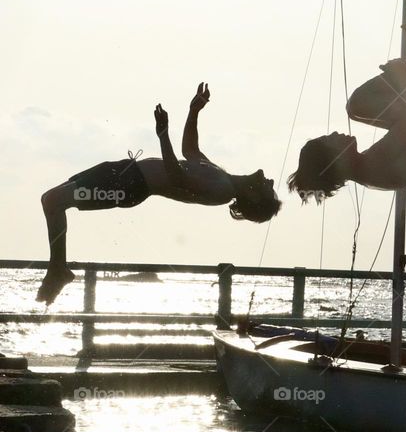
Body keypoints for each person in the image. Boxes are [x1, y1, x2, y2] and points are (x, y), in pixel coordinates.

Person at [36, 83, 281, 305]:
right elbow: (190, 150)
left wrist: (163, 135)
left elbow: (177, 177)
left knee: (53, 201)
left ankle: (58, 269)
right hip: (125, 171)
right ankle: (57, 268)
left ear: (255, 198)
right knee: (51, 198)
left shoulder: (223, 191)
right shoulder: (223, 177)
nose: (270, 180)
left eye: (270, 188)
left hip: (129, 186)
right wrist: (194, 111)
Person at [287, 24, 406, 202]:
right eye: (329, 139)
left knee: (356, 110)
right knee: (357, 105)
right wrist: (400, 74)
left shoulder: (367, 171)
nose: (335, 133)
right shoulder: (375, 166)